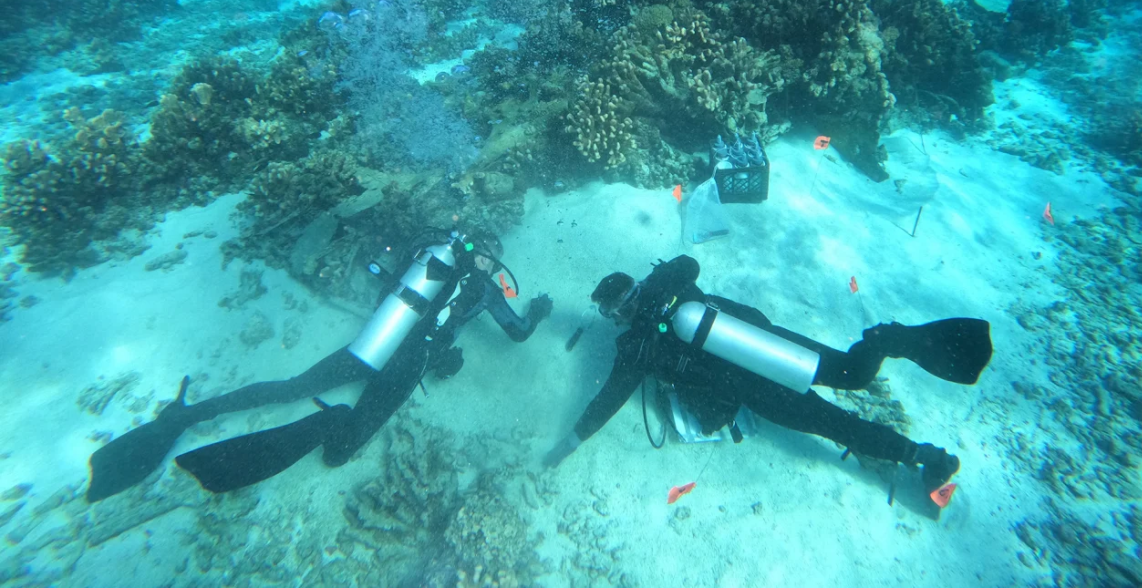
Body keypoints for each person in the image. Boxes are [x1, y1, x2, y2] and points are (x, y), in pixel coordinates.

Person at [87, 228, 551, 501]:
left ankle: (186, 415)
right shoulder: (484, 287)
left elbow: (387, 288)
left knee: (289, 386)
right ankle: (331, 421)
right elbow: (518, 332)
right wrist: (539, 312)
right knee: (337, 453)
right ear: (487, 260)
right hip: (405, 365)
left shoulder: (428, 257)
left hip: (371, 345)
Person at [543, 255, 991, 492]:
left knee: (836, 425)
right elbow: (688, 263)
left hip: (751, 386)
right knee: (852, 372)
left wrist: (571, 440)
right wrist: (657, 283)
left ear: (617, 311)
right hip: (771, 342)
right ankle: (886, 342)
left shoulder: (636, 348)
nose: (614, 320)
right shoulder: (675, 287)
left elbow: (608, 400)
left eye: (610, 312)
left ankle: (925, 456)